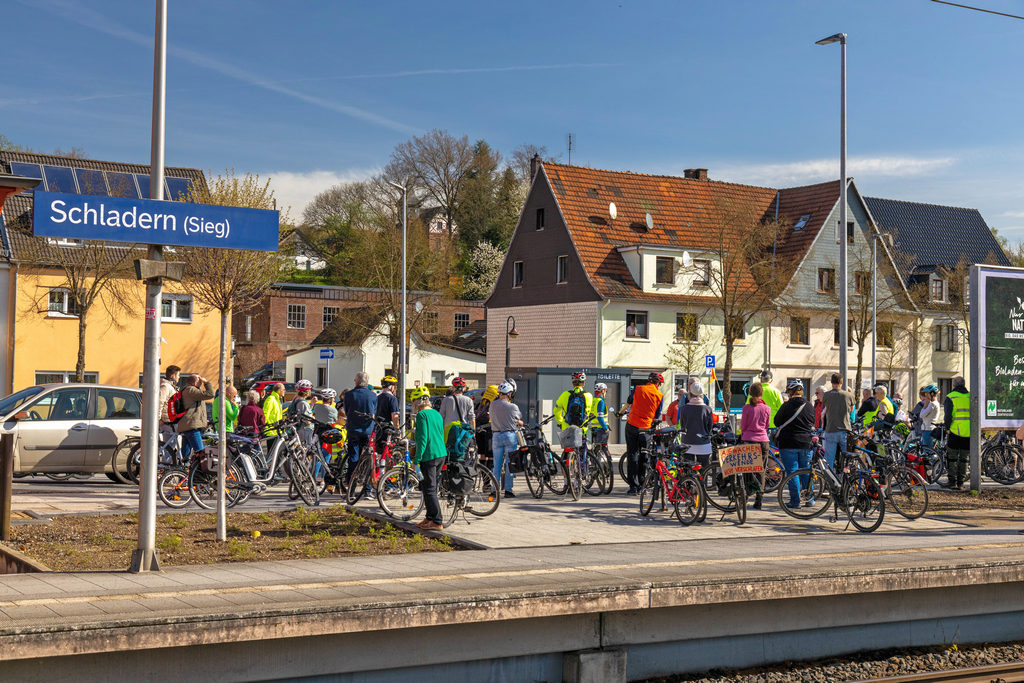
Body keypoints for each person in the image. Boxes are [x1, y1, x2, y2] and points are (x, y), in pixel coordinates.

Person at [775, 380, 815, 509]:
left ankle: (795, 501)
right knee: (806, 471)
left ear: (790, 392)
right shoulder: (809, 406)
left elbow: (776, 422)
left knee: (792, 472)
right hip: (806, 443)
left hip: (789, 442)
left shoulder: (786, 406)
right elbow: (813, 421)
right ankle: (810, 499)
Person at [623, 372, 665, 495]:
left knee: (632, 455)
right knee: (644, 456)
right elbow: (657, 414)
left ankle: (633, 487)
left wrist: (622, 412)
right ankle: (642, 485)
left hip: (632, 425)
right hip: (646, 428)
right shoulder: (659, 395)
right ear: (658, 383)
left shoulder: (638, 389)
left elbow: (629, 402)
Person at [411, 387, 445, 531]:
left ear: (417, 402)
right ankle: (429, 517)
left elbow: (422, 438)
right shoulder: (436, 413)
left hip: (429, 455)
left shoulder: (421, 415)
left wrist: (416, 459)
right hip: (441, 453)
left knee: (429, 489)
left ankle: (437, 520)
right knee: (429, 486)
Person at [489, 381, 523, 497]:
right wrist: (519, 422)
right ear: (509, 394)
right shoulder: (513, 407)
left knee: (496, 465)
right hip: (509, 436)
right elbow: (518, 419)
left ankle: (494, 490)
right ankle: (508, 490)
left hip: (496, 435)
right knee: (509, 463)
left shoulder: (492, 405)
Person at [740, 382, 771, 509]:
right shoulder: (767, 408)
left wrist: (744, 435)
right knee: (761, 470)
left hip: (748, 440)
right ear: (761, 393)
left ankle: (746, 495)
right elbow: (767, 425)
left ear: (750, 393)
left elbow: (743, 426)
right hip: (763, 440)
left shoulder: (746, 408)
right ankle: (759, 498)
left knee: (747, 470)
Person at [342, 373, 377, 482]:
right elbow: (374, 412)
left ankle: (351, 484)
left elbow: (346, 411)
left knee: (354, 456)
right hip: (368, 430)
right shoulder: (373, 395)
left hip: (353, 428)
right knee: (368, 458)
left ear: (356, 381)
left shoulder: (349, 395)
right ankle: (366, 488)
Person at [821, 373, 856, 470]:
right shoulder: (849, 395)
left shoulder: (827, 395)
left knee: (829, 459)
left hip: (831, 429)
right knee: (848, 459)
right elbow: (851, 410)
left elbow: (825, 408)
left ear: (831, 382)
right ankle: (847, 479)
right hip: (845, 430)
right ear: (841, 382)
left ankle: (830, 482)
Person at [177, 374, 215, 461]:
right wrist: (206, 382)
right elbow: (210, 394)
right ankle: (197, 473)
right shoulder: (191, 390)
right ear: (195, 382)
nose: (201, 384)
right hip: (192, 427)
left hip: (187, 425)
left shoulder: (185, 390)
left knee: (185, 457)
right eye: (200, 382)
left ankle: (183, 473)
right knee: (201, 454)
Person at [944, 376, 971, 489]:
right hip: (969, 431)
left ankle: (952, 481)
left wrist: (947, 428)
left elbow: (948, 416)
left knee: (952, 458)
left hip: (955, 431)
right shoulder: (971, 396)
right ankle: (961, 483)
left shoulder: (951, 397)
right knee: (964, 459)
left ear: (954, 385)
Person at [678, 383, 712, 468]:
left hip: (687, 443)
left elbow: (682, 425)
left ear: (690, 394)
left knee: (688, 473)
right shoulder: (707, 409)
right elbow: (709, 428)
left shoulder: (684, 408)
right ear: (702, 395)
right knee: (703, 473)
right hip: (704, 444)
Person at [375, 376, 401, 452]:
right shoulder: (392, 399)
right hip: (387, 429)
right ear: (391, 387)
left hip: (377, 428)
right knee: (388, 451)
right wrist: (397, 430)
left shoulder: (378, 397)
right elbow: (394, 416)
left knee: (379, 450)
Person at [475, 385, 499, 462]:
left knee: (482, 454)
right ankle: (489, 471)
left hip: (479, 428)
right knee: (490, 454)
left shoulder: (482, 403)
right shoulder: (494, 404)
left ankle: (482, 472)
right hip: (489, 428)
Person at [292, 379, 315, 445]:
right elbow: (307, 420)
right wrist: (313, 418)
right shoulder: (303, 403)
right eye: (310, 389)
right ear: (307, 391)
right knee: (306, 450)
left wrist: (312, 404)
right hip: (304, 430)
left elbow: (303, 413)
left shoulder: (296, 399)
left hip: (299, 429)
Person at [919, 384, 940, 448]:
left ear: (932, 394)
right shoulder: (936, 403)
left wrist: (925, 404)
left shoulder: (932, 404)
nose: (926, 396)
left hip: (928, 429)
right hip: (929, 428)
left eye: (927, 394)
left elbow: (921, 415)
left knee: (927, 451)